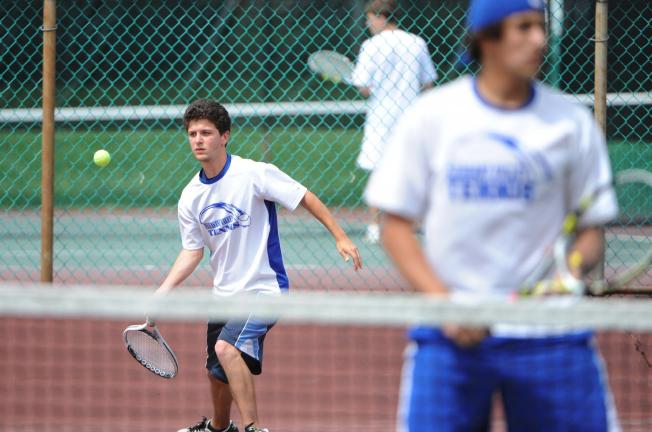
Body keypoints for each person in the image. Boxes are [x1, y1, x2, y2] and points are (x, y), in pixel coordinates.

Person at [365, 0, 620, 430]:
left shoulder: (571, 124)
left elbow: (592, 232)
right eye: (523, 28)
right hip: (450, 340)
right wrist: (447, 307)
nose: (539, 39)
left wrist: (566, 277)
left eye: (540, 27)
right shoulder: (431, 117)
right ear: (486, 38)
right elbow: (395, 225)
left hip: (552, 336)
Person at [156, 99, 362, 432]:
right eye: (192, 133)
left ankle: (253, 428)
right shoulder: (191, 196)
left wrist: (339, 235)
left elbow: (304, 195)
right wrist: (162, 291)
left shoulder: (253, 173)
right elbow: (192, 251)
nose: (197, 140)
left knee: (226, 348)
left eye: (206, 133)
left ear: (225, 136)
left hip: (265, 289)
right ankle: (220, 428)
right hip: (224, 295)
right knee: (215, 369)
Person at [351, 0, 437, 243]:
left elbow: (364, 88)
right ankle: (418, 223)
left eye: (369, 19)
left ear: (380, 17)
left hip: (381, 118)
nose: (368, 24)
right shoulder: (417, 43)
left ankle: (375, 227)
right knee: (415, 171)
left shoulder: (370, 46)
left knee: (379, 172)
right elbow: (428, 83)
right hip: (411, 116)